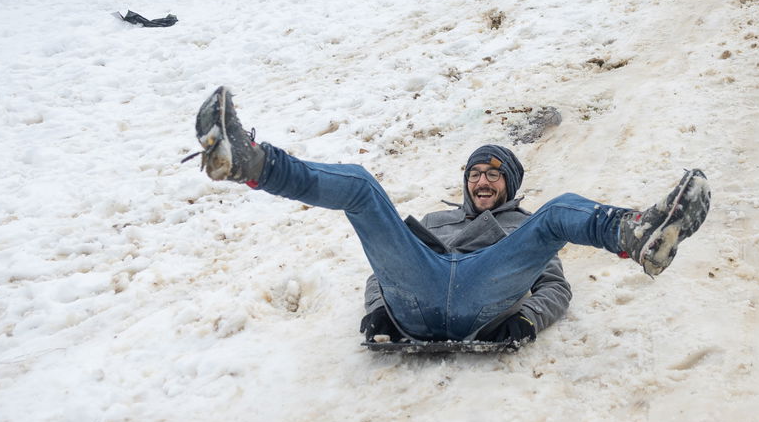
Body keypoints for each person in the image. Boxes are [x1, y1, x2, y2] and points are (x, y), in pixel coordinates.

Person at [185, 87, 711, 344]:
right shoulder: (435, 223)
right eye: (475, 173)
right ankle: (253, 163)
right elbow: (383, 272)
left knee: (556, 213)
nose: (483, 180)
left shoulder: (520, 228)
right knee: (364, 189)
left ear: (509, 185)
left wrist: (527, 319)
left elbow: (555, 287)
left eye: (495, 173)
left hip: (487, 294)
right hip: (419, 292)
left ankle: (635, 233)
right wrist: (379, 312)